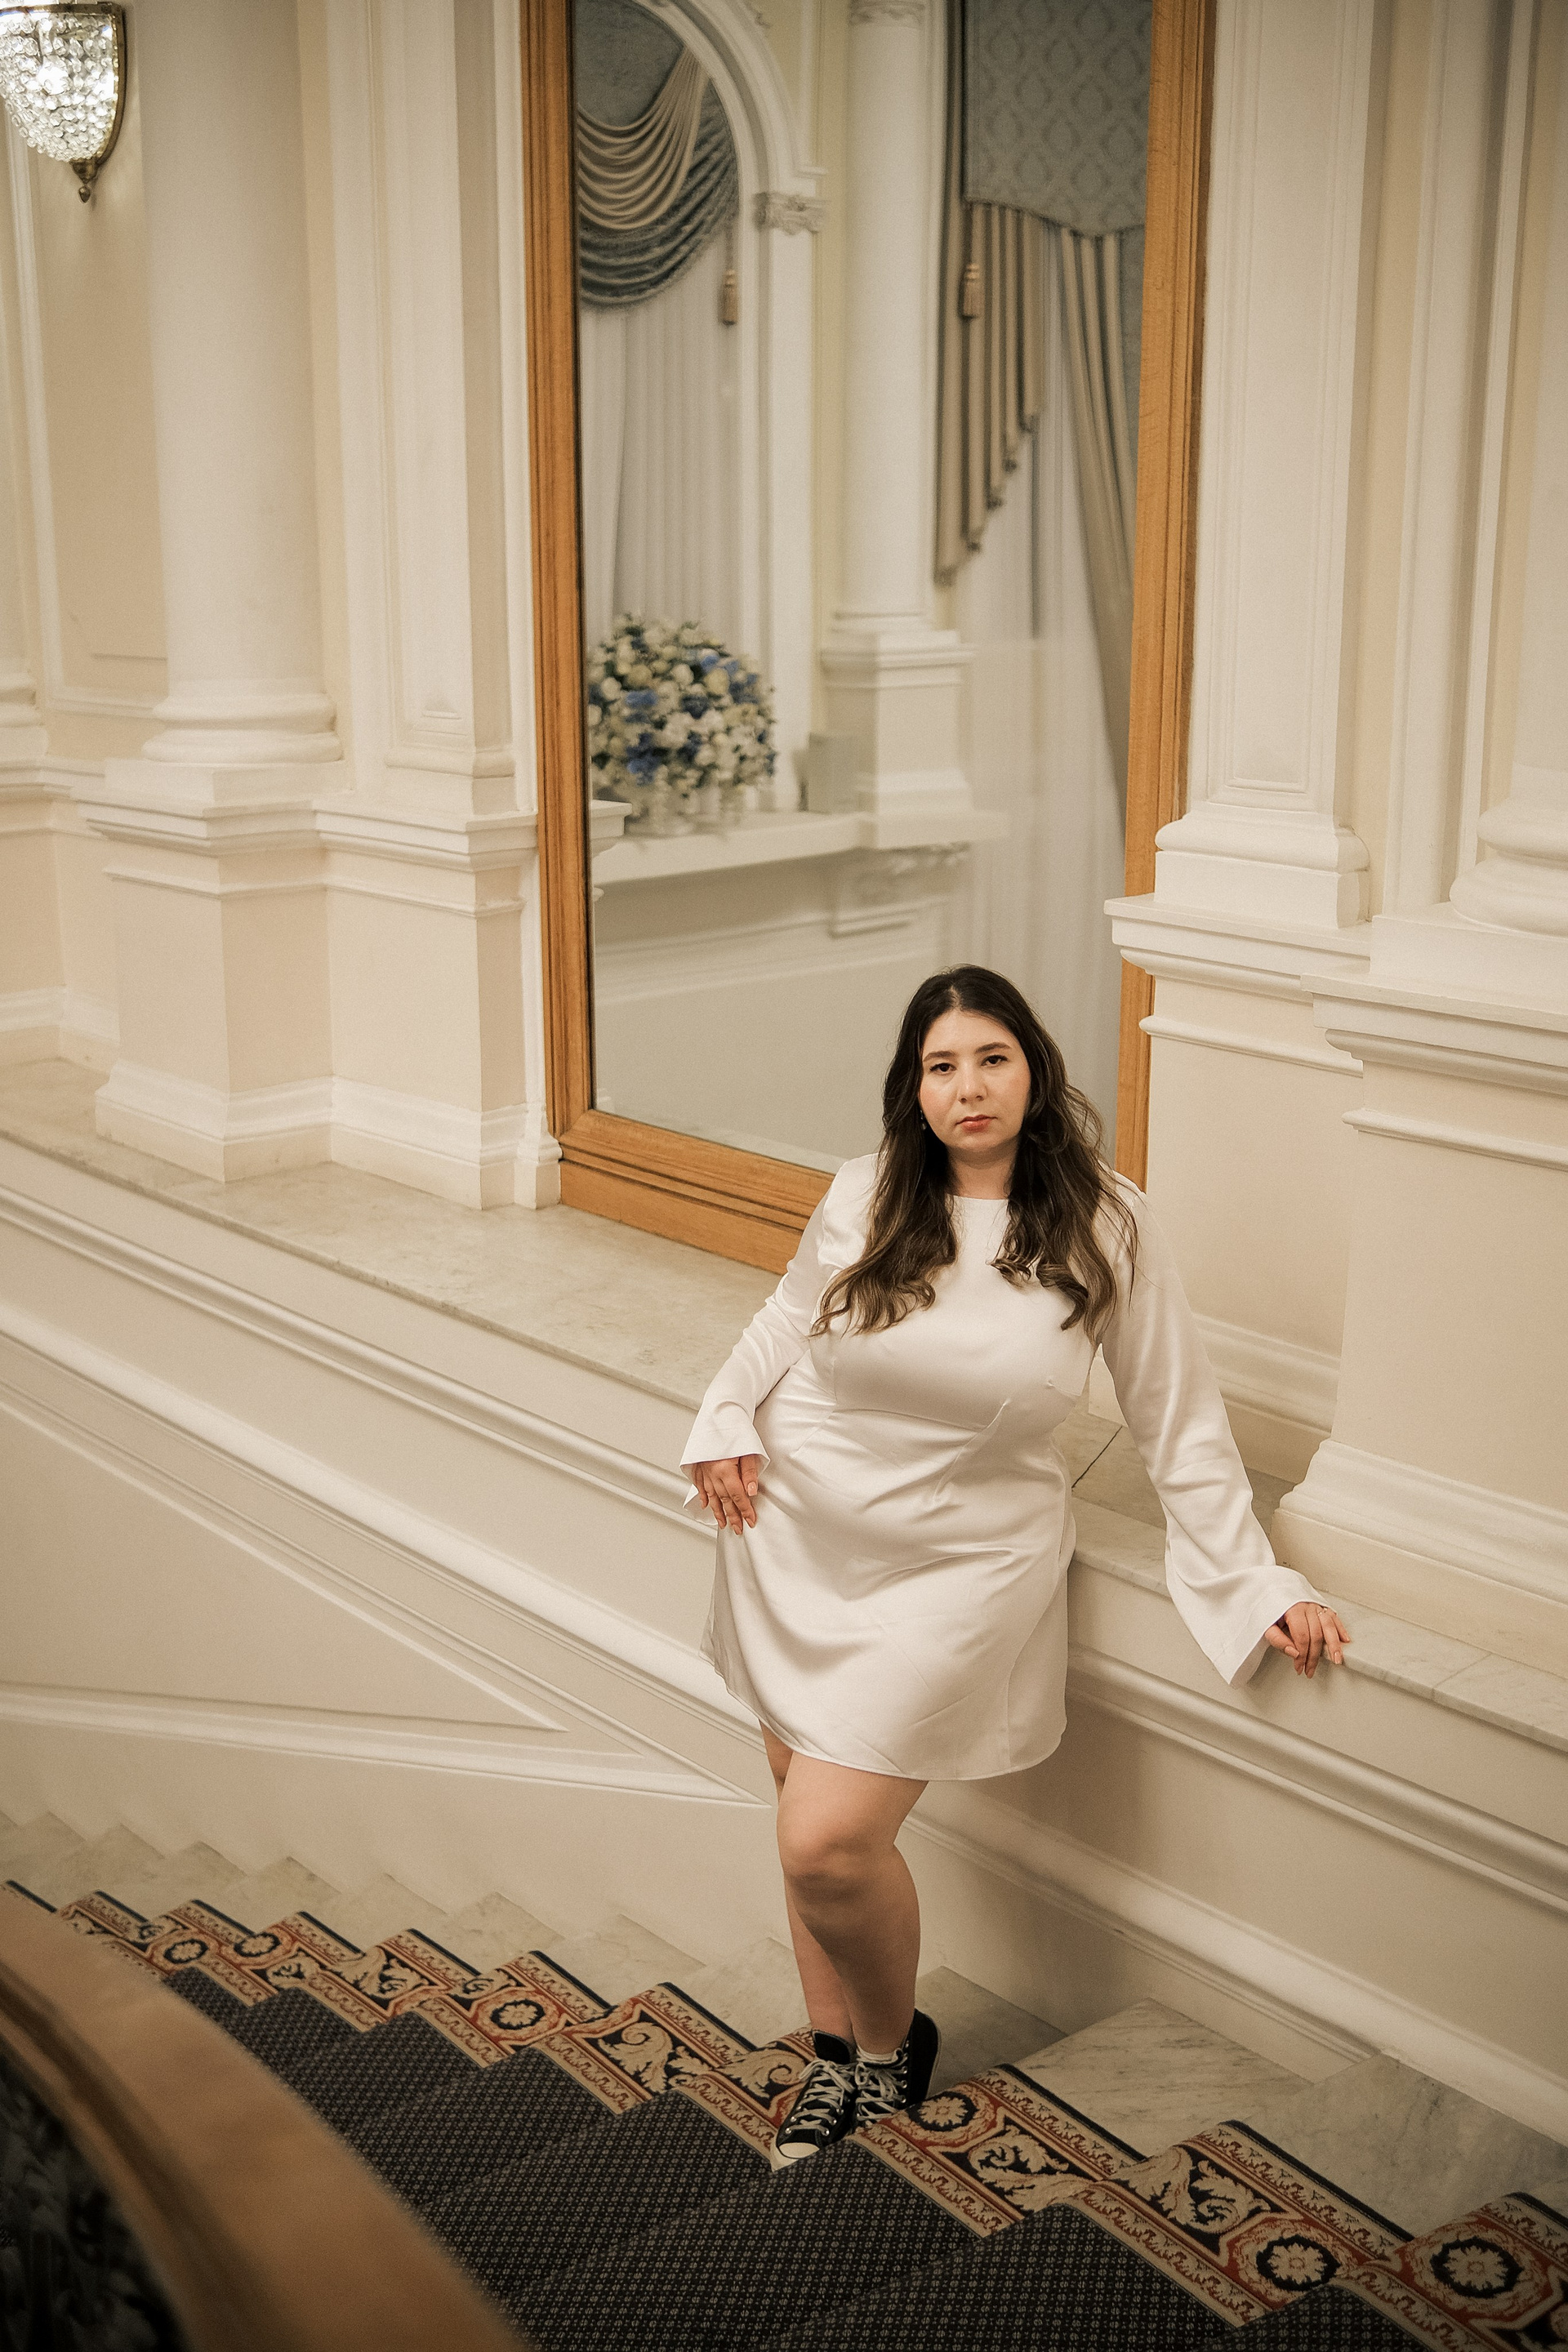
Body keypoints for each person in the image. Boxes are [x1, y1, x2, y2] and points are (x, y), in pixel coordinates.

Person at [683, 967, 1349, 2172]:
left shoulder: (1105, 1221)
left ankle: (891, 2053)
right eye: (940, 1066)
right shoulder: (866, 1190)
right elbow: (786, 1318)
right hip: (800, 1524)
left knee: (825, 1840)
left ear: (1034, 1067)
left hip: (964, 1557)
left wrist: (1253, 1577)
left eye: (990, 1057)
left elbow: (1177, 1418)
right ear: (914, 1088)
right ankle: (836, 2058)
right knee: (801, 1819)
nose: (968, 1087)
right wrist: (723, 1416)